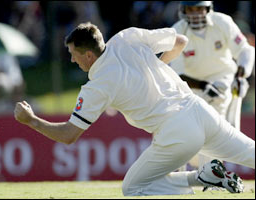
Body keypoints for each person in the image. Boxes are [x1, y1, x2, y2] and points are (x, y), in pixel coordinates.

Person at [14, 22, 255, 196]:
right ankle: (208, 176)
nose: (72, 60)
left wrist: (31, 120)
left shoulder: (96, 86)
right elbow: (181, 42)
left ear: (88, 55)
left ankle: (201, 178)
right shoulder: (126, 37)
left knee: (133, 188)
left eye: (73, 54)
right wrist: (156, 66)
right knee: (251, 152)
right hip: (200, 109)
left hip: (176, 130)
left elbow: (68, 135)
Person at [169, 1, 255, 170]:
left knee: (212, 125)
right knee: (189, 136)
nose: (195, 14)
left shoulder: (222, 22)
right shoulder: (178, 31)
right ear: (183, 10)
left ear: (208, 9)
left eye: (199, 9)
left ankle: (210, 174)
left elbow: (245, 50)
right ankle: (178, 178)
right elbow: (177, 74)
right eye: (190, 9)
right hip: (191, 87)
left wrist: (242, 75)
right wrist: (203, 85)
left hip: (222, 80)